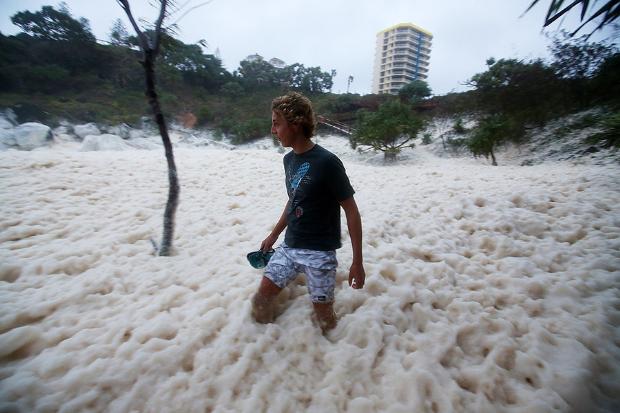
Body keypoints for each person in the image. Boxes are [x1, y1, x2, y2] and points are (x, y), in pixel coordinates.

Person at [251, 91, 365, 333]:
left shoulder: (327, 162)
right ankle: (261, 346)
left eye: (276, 123)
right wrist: (273, 236)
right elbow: (294, 200)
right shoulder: (288, 160)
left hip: (320, 253)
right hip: (290, 246)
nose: (273, 131)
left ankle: (333, 353)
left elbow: (352, 212)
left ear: (295, 123)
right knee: (260, 301)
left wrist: (357, 262)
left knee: (325, 320)